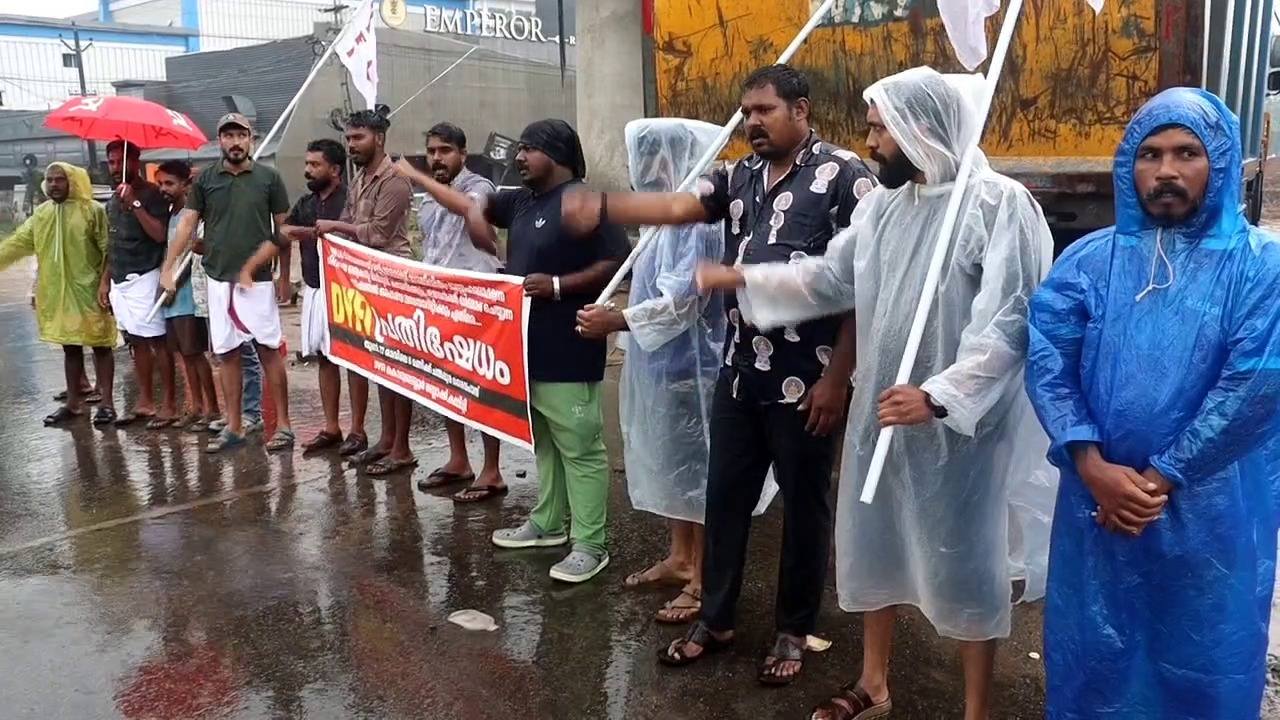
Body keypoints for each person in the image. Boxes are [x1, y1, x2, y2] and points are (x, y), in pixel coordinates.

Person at [691, 66, 1057, 718]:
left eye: (881, 129)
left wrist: (940, 396)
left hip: (958, 428)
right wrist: (745, 279)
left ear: (923, 129)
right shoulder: (885, 206)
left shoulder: (998, 206)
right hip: (883, 410)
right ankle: (873, 682)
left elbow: (1012, 323)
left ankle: (976, 708)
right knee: (875, 540)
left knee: (967, 563)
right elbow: (832, 278)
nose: (871, 142)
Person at [562, 64, 873, 681]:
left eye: (764, 110)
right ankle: (717, 617)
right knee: (724, 499)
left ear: (801, 110)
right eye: (746, 112)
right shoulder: (739, 175)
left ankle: (793, 629)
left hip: (808, 381)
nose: (752, 122)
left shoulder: (844, 175)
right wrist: (606, 205)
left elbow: (865, 283)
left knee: (806, 508)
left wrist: (838, 379)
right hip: (739, 374)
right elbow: (682, 205)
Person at [1025, 88, 1280, 719]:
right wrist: (1088, 462)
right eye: (1150, 154)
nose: (1166, 170)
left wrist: (1161, 477)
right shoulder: (1090, 260)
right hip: (1098, 508)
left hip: (1211, 516)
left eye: (1187, 153)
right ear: (1128, 166)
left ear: (1220, 162)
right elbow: (1049, 360)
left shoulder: (1260, 267)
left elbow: (1254, 385)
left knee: (1203, 661)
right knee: (1095, 657)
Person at [575, 117, 780, 623]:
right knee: (672, 463)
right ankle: (679, 556)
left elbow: (684, 302)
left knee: (703, 470)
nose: (643, 167)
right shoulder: (659, 218)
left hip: (698, 365)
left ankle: (702, 575)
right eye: (640, 156)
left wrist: (618, 319)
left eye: (652, 155)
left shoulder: (699, 220)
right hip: (661, 362)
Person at [408, 117, 630, 583]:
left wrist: (558, 285)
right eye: (520, 148)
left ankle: (590, 544)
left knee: (580, 447)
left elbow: (616, 262)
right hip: (524, 346)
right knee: (544, 440)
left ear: (558, 154)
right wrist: (472, 210)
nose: (519, 156)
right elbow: (479, 201)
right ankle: (548, 523)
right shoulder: (523, 200)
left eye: (530, 148)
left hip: (569, 345)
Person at [161, 112, 294, 453]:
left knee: (268, 351)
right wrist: (168, 266)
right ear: (219, 141)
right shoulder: (206, 180)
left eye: (241, 135)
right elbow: (187, 225)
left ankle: (284, 426)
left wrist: (284, 278)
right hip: (217, 279)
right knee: (227, 354)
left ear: (251, 139)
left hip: (257, 282)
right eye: (229, 136)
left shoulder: (269, 178)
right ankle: (234, 426)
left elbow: (284, 230)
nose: (236, 142)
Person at [392, 122, 507, 501]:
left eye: (444, 151)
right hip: (441, 302)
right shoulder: (428, 198)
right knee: (447, 383)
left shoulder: (479, 186)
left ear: (462, 153)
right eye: (431, 152)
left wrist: (419, 178)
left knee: (483, 384)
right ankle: (459, 460)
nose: (437, 158)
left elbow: (469, 209)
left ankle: (492, 470)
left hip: (478, 303)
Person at [314, 107, 416, 476]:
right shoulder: (359, 179)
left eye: (359, 137)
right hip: (367, 280)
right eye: (349, 138)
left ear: (380, 138)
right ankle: (386, 441)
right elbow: (352, 220)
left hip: (393, 281)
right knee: (381, 367)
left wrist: (336, 227)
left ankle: (402, 448)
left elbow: (377, 233)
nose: (351, 144)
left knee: (398, 369)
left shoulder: (395, 180)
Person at [268, 138, 369, 456]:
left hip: (347, 288)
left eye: (315, 165)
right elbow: (283, 231)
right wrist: (309, 232)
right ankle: (332, 427)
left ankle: (358, 430)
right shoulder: (307, 202)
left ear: (335, 170)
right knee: (324, 358)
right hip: (315, 287)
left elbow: (364, 234)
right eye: (307, 164)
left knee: (353, 359)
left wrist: (317, 231)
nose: (308, 170)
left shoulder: (351, 200)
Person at [0, 162, 118, 426]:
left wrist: (105, 283)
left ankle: (107, 404)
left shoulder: (92, 211)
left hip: (90, 290)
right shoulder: (42, 214)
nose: (53, 184)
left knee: (101, 344)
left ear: (72, 181)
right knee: (70, 346)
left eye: (59, 179)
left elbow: (109, 249)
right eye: (50, 179)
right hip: (58, 292)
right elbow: (18, 242)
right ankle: (73, 404)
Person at [104, 140, 177, 427]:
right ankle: (145, 401)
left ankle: (169, 404)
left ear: (136, 161)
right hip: (120, 280)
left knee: (159, 341)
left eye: (121, 160)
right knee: (136, 341)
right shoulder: (112, 199)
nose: (116, 167)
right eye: (111, 162)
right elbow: (112, 242)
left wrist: (135, 203)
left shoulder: (152, 195)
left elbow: (159, 235)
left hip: (146, 276)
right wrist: (105, 282)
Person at [154, 160, 221, 432]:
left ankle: (212, 409)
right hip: (170, 297)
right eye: (160, 183)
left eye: (169, 183)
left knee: (195, 353)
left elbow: (190, 255)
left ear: (186, 185)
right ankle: (195, 406)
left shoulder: (193, 216)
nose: (163, 188)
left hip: (188, 296)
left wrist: (172, 284)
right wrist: (163, 283)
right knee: (183, 354)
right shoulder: (171, 215)